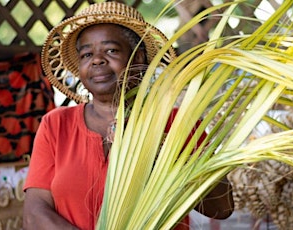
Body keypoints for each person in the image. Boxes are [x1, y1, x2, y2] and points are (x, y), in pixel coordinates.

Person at [23, 2, 234, 230]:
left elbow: (222, 207)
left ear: (139, 58)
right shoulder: (56, 125)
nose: (97, 60)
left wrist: (161, 152)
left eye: (111, 50)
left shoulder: (175, 123)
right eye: (86, 54)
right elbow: (35, 212)